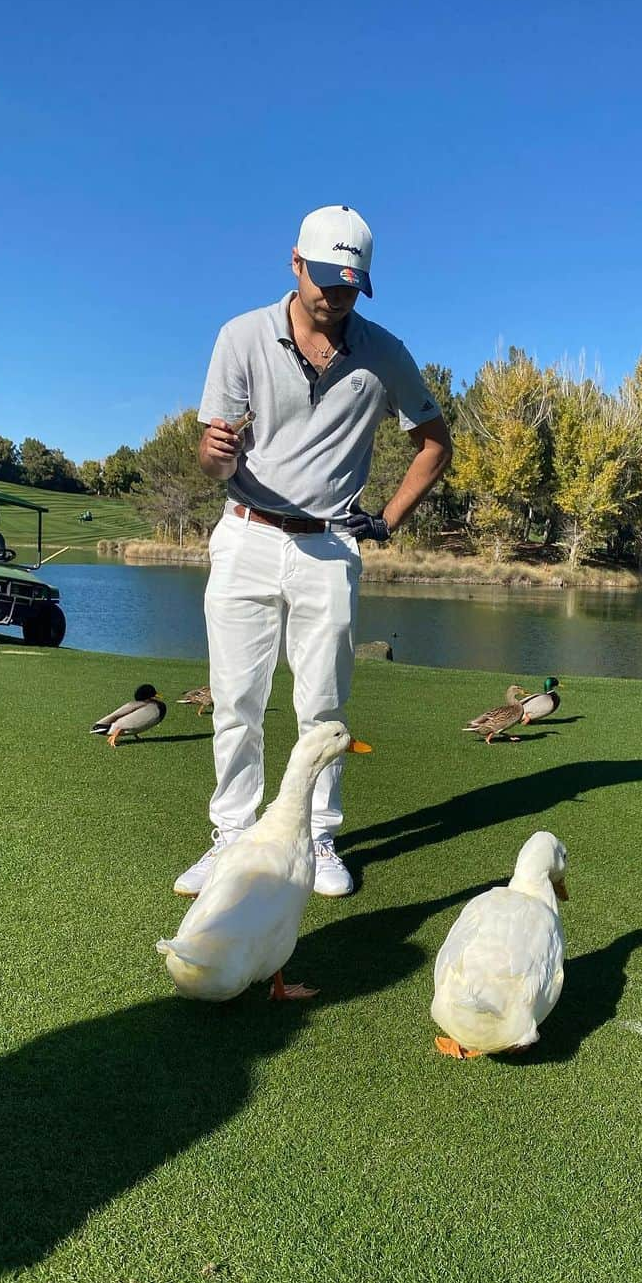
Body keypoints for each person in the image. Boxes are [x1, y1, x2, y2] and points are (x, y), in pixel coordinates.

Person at [173, 205, 452, 899]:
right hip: (245, 533)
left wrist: (386, 521)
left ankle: (318, 836)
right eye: (325, 279)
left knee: (323, 706)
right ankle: (233, 837)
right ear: (295, 264)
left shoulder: (385, 353)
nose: (336, 295)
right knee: (237, 698)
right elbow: (214, 458)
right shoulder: (240, 336)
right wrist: (211, 455)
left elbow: (436, 444)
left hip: (330, 545)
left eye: (351, 285)